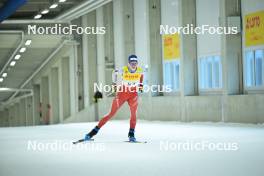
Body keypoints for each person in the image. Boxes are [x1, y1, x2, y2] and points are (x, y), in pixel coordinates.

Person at [84, 54, 144, 142]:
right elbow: (114, 73)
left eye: (135, 62)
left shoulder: (139, 70)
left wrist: (141, 85)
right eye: (132, 63)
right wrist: (114, 84)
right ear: (128, 63)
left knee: (134, 114)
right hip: (122, 94)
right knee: (111, 114)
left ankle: (131, 134)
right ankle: (92, 132)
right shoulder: (123, 70)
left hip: (133, 94)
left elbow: (141, 76)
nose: (133, 64)